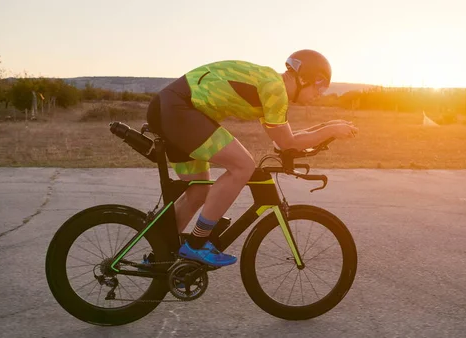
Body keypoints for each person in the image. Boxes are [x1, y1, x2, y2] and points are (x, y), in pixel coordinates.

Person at [146, 49, 358, 268]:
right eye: (320, 85)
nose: (320, 93)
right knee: (243, 166)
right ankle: (196, 244)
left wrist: (328, 128)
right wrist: (331, 130)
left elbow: (284, 140)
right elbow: (287, 143)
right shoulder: (275, 89)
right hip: (179, 108)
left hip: (170, 108)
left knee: (198, 191)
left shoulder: (271, 85)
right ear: (303, 78)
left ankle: (161, 257)